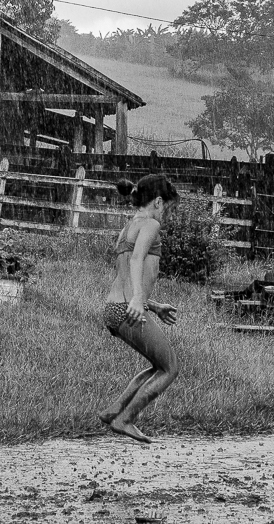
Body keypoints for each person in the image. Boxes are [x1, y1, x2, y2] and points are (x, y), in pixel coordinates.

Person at [98, 175, 181, 444]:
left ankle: (115, 410)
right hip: (127, 307)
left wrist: (151, 305)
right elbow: (136, 260)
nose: (166, 215)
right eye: (167, 208)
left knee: (157, 364)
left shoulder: (129, 226)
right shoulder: (150, 223)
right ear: (158, 201)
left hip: (113, 307)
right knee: (170, 368)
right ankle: (126, 419)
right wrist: (136, 300)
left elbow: (124, 272)